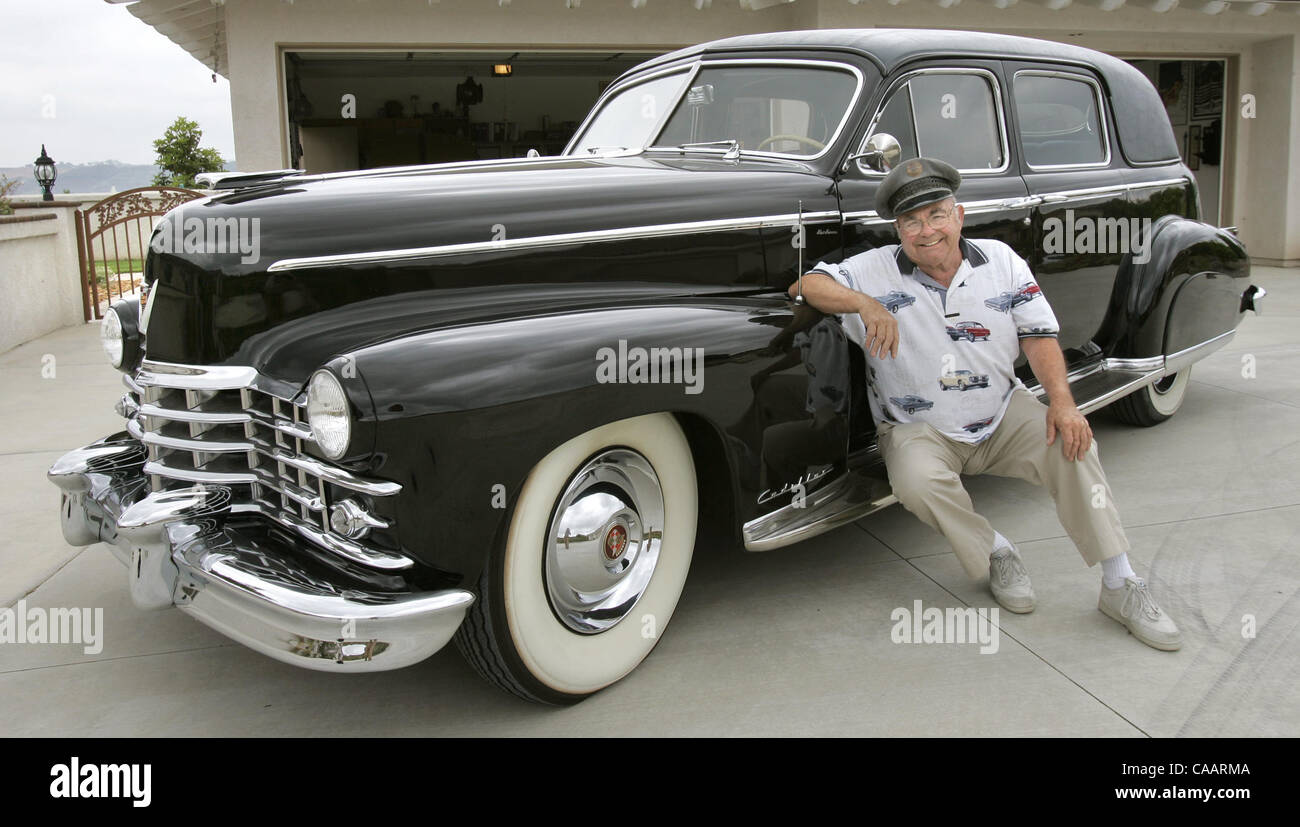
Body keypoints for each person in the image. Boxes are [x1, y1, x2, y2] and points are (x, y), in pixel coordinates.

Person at [790, 157, 1182, 651]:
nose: (925, 230)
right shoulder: (873, 269)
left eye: (935, 214)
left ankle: (1120, 583)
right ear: (898, 229)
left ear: (958, 215)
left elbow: (1039, 336)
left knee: (1073, 446)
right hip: (917, 426)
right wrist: (866, 305)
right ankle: (995, 551)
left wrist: (1062, 404)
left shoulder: (1000, 261)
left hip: (1000, 413)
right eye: (910, 221)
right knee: (915, 483)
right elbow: (804, 285)